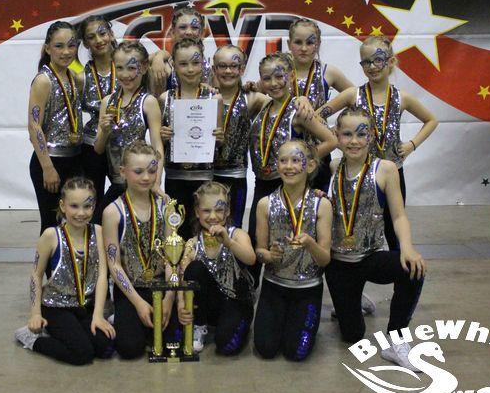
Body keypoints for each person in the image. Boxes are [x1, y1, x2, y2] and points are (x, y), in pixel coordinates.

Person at [324, 106, 426, 370]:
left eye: (361, 134)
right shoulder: (331, 169)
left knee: (412, 269)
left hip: (370, 257)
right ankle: (355, 297)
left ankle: (397, 339)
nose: (354, 141)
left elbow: (398, 216)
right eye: (347, 134)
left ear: (371, 135)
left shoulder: (386, 169)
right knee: (352, 335)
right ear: (336, 135)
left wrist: (407, 247)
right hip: (339, 263)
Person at [319, 36, 438, 251]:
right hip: (356, 172)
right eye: (366, 62)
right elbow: (317, 116)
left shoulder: (402, 98)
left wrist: (412, 144)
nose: (372, 66)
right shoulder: (353, 94)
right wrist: (336, 140)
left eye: (378, 60)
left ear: (391, 62)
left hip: (392, 172)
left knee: (394, 227)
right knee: (352, 223)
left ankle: (399, 261)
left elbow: (431, 120)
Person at [247, 52, 336, 287]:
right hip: (261, 183)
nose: (274, 83)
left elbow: (331, 140)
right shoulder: (263, 105)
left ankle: (299, 285)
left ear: (292, 76)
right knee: (257, 238)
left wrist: (303, 164)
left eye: (280, 76)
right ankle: (251, 291)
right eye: (267, 78)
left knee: (291, 238)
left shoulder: (298, 112)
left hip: (286, 184)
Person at [14, 177, 115, 365]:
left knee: (105, 348)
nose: (81, 213)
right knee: (82, 354)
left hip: (85, 306)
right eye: (74, 206)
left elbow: (102, 275)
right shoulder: (51, 236)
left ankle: (74, 331)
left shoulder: (99, 232)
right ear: (63, 206)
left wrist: (98, 315)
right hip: (56, 307)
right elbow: (36, 275)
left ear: (94, 206)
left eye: (87, 206)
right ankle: (33, 339)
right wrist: (35, 314)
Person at [253, 140, 332, 361]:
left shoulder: (322, 205)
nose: (289, 166)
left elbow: (325, 259)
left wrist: (310, 244)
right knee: (266, 349)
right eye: (283, 160)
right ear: (276, 165)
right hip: (274, 285)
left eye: (296, 160)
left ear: (310, 165)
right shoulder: (265, 204)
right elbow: (259, 251)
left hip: (307, 288)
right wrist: (268, 256)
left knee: (296, 352)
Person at [102, 141, 176, 359]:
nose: (146, 177)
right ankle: (123, 316)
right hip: (131, 288)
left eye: (152, 171)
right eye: (138, 171)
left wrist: (169, 298)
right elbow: (114, 265)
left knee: (172, 345)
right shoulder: (113, 212)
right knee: (129, 349)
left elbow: (172, 258)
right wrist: (138, 303)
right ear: (123, 172)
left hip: (162, 285)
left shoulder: (166, 207)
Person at [176, 181, 256, 355]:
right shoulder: (193, 243)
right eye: (206, 211)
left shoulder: (237, 235)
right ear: (197, 212)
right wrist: (181, 304)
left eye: (219, 210)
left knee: (227, 345)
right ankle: (199, 324)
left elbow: (251, 259)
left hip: (236, 300)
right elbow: (183, 276)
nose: (213, 216)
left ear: (227, 211)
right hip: (209, 304)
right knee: (194, 268)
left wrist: (229, 242)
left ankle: (232, 324)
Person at [93, 41, 165, 223]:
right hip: (117, 183)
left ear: (144, 68)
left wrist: (156, 183)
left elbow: (158, 146)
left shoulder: (148, 102)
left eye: (132, 68)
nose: (125, 75)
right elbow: (98, 149)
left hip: (140, 184)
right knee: (98, 225)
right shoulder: (107, 102)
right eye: (120, 68)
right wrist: (104, 131)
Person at [159, 38, 224, 228]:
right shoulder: (165, 98)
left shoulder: (214, 98)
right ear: (174, 65)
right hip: (174, 177)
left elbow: (219, 143)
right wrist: (163, 136)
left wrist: (220, 137)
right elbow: (158, 143)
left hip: (204, 178)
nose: (190, 69)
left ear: (204, 63)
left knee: (204, 230)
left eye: (196, 63)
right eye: (183, 64)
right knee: (176, 231)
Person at [286, 17, 355, 192]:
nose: (304, 48)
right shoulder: (280, 73)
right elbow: (262, 98)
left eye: (310, 43)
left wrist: (337, 126)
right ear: (289, 43)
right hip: (285, 153)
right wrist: (250, 87)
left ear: (318, 44)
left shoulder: (328, 72)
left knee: (317, 202)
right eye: (298, 42)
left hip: (320, 151)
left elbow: (357, 98)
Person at [28, 21, 84, 234]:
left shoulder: (73, 76)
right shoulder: (44, 81)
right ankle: (46, 258)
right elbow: (34, 126)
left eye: (71, 45)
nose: (66, 52)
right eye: (59, 46)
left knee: (74, 225)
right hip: (51, 160)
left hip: (74, 158)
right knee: (51, 225)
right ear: (48, 48)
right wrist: (48, 167)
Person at [212, 45, 270, 228]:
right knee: (206, 227)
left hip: (236, 176)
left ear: (242, 69)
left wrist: (302, 100)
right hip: (206, 174)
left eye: (234, 66)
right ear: (214, 69)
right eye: (222, 66)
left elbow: (282, 104)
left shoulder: (251, 98)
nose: (228, 71)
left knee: (233, 227)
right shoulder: (204, 97)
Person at [78, 16, 117, 213]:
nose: (99, 40)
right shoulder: (81, 76)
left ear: (111, 34)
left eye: (102, 33)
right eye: (91, 37)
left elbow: (158, 56)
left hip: (122, 143)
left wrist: (160, 57)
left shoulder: (129, 66)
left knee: (124, 194)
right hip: (92, 145)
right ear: (85, 43)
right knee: (93, 199)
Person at [147, 7, 208, 96]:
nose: (189, 32)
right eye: (183, 27)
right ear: (172, 32)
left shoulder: (213, 68)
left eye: (194, 27)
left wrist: (160, 55)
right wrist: (158, 56)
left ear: (202, 33)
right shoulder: (163, 67)